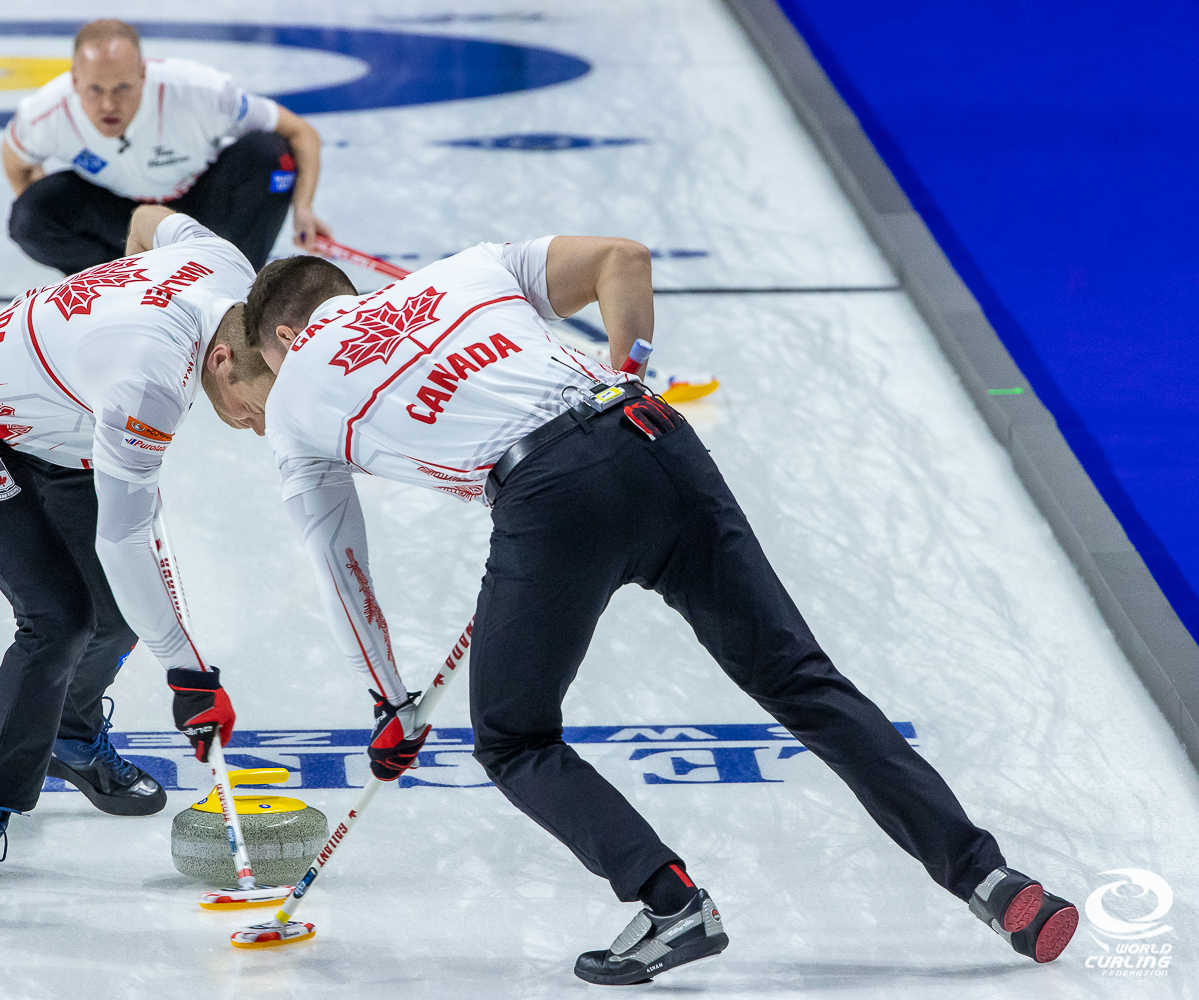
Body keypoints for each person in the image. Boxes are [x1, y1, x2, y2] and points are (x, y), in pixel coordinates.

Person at [228, 238, 1080, 982]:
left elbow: (339, 562)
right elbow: (621, 258)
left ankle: (672, 904)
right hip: (649, 431)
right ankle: (991, 882)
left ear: (286, 339)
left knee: (515, 739)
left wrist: (390, 702)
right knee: (796, 677)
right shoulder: (463, 271)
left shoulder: (298, 392)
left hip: (550, 500)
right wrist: (626, 375)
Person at [0, 206, 269, 880]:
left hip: (67, 436)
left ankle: (69, 733)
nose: (258, 427)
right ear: (223, 359)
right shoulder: (149, 382)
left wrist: (122, 278)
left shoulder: (228, 269)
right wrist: (190, 677)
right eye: (257, 406)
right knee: (59, 621)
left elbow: (150, 217)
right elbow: (123, 537)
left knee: (121, 615)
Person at [2, 19, 331, 275]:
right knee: (30, 217)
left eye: (123, 88)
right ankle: (118, 280)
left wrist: (303, 208)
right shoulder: (45, 114)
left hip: (203, 207)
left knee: (271, 153)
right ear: (73, 80)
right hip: (119, 215)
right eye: (94, 90)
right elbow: (16, 160)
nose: (108, 105)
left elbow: (301, 133)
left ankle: (235, 281)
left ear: (144, 74)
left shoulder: (200, 92)